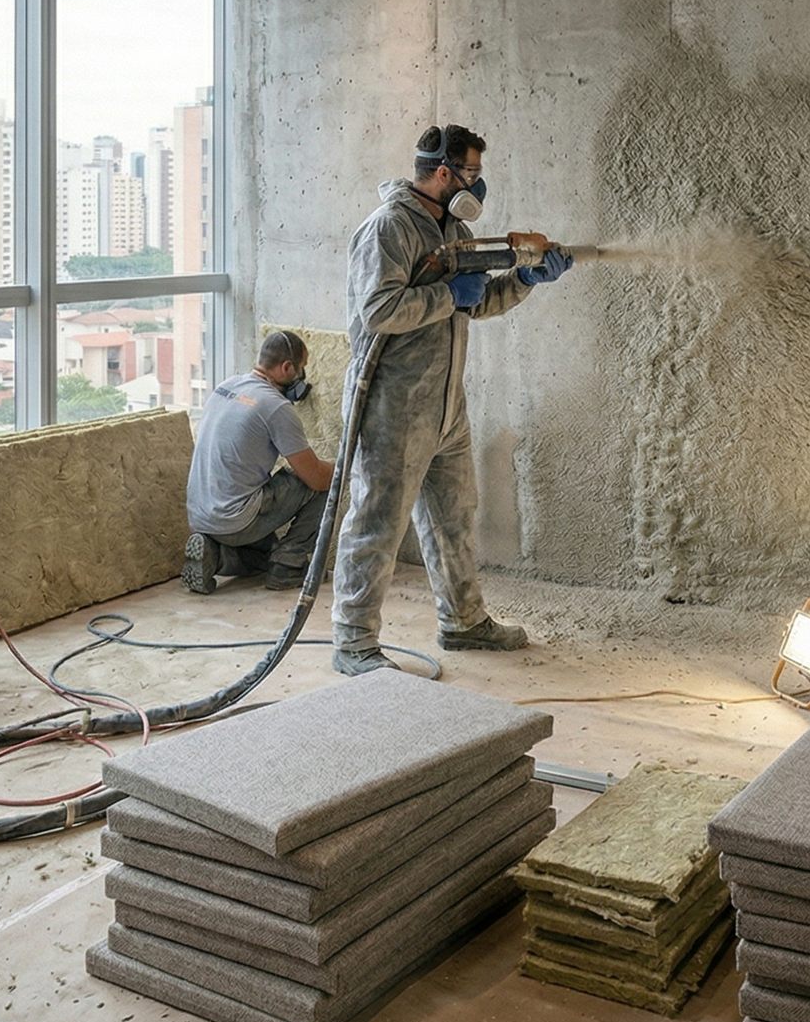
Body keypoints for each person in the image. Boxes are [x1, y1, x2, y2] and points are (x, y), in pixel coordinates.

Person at [331, 123, 573, 675]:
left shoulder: (449, 229)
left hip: (444, 406)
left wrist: (528, 277)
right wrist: (445, 296)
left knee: (454, 516)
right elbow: (378, 312)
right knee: (377, 523)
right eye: (472, 174)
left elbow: (478, 302)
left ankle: (463, 622)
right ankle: (353, 641)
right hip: (393, 405)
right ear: (444, 173)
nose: (478, 186)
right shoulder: (390, 228)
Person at [183, 330, 334, 594]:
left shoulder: (226, 386)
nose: (302, 377)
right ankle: (289, 566)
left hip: (201, 517)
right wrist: (351, 468)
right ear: (287, 367)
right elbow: (316, 478)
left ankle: (215, 556)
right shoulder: (276, 406)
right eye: (301, 369)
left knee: (265, 551)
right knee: (330, 482)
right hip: (236, 520)